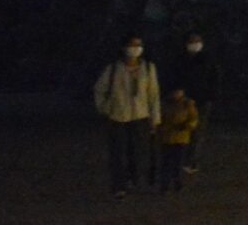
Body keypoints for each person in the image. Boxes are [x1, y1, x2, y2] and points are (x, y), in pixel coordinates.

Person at [93, 34, 160, 198]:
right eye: (132, 45)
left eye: (139, 45)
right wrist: (105, 109)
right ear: (124, 48)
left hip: (140, 116)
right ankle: (119, 185)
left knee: (137, 152)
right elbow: (99, 90)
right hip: (118, 117)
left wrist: (155, 118)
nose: (136, 48)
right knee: (117, 153)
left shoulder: (149, 68)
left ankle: (133, 178)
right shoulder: (113, 68)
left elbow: (153, 95)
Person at [164, 31, 221, 178]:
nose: (195, 44)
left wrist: (209, 98)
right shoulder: (180, 60)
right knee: (180, 130)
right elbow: (174, 77)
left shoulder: (208, 59)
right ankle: (178, 159)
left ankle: (191, 161)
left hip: (202, 101)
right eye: (192, 41)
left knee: (197, 131)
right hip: (183, 101)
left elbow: (214, 80)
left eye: (198, 41)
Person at [155, 90, 200, 193]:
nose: (175, 94)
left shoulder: (187, 104)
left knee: (178, 163)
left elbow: (194, 118)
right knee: (165, 163)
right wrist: (161, 128)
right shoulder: (164, 104)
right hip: (166, 138)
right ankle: (164, 185)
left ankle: (178, 184)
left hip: (181, 138)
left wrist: (187, 126)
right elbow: (159, 119)